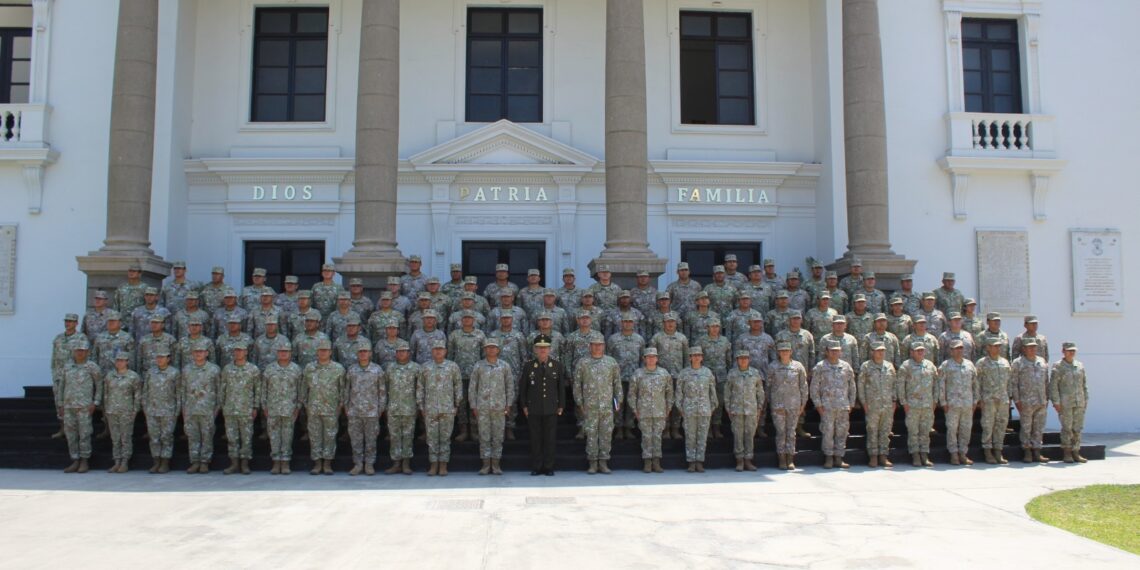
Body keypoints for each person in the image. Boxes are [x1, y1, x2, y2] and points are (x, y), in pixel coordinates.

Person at [574, 333, 621, 474]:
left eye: (600, 344)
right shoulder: (583, 363)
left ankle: (604, 462)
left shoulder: (611, 362)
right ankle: (593, 463)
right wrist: (579, 402)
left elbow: (617, 384)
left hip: (607, 406)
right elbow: (577, 385)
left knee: (606, 434)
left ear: (604, 346)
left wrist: (617, 403)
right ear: (590, 346)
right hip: (590, 406)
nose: (597, 347)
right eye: (594, 344)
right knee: (591, 434)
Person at [519, 334, 565, 476]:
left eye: (545, 348)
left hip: (551, 407)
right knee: (535, 439)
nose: (543, 350)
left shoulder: (557, 366)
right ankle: (537, 466)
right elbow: (523, 388)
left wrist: (561, 405)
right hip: (534, 408)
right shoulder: (528, 366)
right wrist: (524, 406)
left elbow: (561, 388)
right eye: (540, 348)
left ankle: (549, 466)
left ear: (550, 349)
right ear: (535, 349)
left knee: (550, 439)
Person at [470, 338, 516, 475]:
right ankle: (485, 465)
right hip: (482, 407)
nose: (491, 350)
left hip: (499, 407)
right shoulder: (478, 366)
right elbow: (473, 387)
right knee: (484, 436)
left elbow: (509, 385)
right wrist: (474, 405)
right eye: (488, 347)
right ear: (485, 350)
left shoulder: (504, 366)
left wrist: (508, 404)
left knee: (497, 436)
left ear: (498, 350)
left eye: (493, 347)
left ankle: (496, 465)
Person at [418, 340, 463, 476]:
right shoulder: (425, 367)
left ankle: (443, 465)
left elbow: (458, 386)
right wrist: (421, 406)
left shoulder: (452, 367)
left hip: (447, 408)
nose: (438, 351)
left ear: (445, 351)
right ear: (432, 351)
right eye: (435, 349)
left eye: (441, 349)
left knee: (445, 438)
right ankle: (433, 465)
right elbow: (420, 387)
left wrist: (456, 405)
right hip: (430, 408)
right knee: (431, 438)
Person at [302, 339, 346, 475]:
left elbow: (343, 389)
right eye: (321, 350)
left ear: (330, 352)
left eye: (326, 350)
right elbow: (304, 388)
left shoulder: (338, 369)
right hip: (314, 408)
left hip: (331, 409)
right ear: (317, 352)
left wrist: (340, 405)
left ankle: (327, 464)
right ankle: (317, 463)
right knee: (315, 436)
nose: (323, 353)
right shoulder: (310, 368)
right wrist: (306, 404)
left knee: (330, 436)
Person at [811, 341, 856, 469]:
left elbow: (852, 386)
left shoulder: (846, 367)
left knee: (842, 432)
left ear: (841, 351)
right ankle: (829, 458)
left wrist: (851, 404)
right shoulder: (820, 367)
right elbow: (814, 388)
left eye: (837, 350)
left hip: (843, 406)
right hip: (827, 407)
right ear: (826, 352)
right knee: (828, 433)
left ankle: (839, 458)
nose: (834, 352)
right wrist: (818, 406)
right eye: (832, 350)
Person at [59, 337, 102, 474]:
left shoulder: (92, 367)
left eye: (83, 351)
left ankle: (84, 461)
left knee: (84, 434)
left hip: (84, 406)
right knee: (71, 434)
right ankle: (75, 460)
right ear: (73, 351)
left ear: (87, 352)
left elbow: (99, 385)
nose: (80, 353)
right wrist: (60, 403)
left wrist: (95, 402)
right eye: (78, 350)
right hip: (69, 406)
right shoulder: (67, 367)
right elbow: (61, 386)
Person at [628, 347, 673, 473]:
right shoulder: (638, 374)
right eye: (648, 357)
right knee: (646, 437)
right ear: (644, 359)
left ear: (657, 359)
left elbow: (669, 393)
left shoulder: (664, 374)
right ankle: (647, 462)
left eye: (653, 357)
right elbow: (632, 394)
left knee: (657, 437)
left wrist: (668, 409)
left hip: (660, 411)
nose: (651, 359)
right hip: (643, 411)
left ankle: (657, 462)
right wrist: (635, 410)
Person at [262, 339, 303, 474]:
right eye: (281, 352)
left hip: (289, 409)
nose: (283, 354)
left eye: (286, 352)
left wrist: (297, 407)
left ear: (290, 353)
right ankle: (275, 462)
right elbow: (264, 389)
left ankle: (285, 463)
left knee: (287, 436)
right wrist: (264, 406)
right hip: (273, 408)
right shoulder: (270, 369)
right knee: (273, 437)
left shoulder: (296, 369)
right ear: (277, 353)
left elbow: (300, 390)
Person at [675, 346, 717, 473]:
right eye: (694, 355)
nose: (696, 357)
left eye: (699, 355)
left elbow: (712, 392)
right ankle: (691, 462)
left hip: (704, 409)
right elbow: (679, 393)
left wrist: (712, 407)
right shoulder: (684, 373)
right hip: (689, 410)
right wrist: (680, 407)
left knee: (702, 437)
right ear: (690, 358)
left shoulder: (707, 373)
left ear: (702, 357)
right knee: (690, 436)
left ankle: (700, 462)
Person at [219, 343, 260, 475]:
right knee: (232, 438)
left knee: (246, 438)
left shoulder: (253, 369)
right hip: (230, 408)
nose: (238, 352)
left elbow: (257, 389)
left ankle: (245, 464)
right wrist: (222, 405)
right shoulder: (227, 369)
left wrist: (255, 406)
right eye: (236, 350)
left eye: (241, 350)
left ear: (246, 352)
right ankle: (234, 464)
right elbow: (222, 389)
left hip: (246, 409)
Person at [938, 340, 979, 466]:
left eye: (961, 348)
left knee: (966, 429)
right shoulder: (945, 365)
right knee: (952, 429)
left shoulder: (970, 365)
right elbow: (941, 385)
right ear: (951, 351)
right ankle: (954, 454)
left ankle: (963, 453)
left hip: (967, 403)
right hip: (952, 404)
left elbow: (975, 384)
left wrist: (975, 401)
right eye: (956, 348)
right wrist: (943, 402)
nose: (959, 350)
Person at [182, 340, 221, 474]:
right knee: (192, 436)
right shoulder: (187, 369)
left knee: (207, 436)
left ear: (207, 353)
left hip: (207, 409)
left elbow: (219, 389)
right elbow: (183, 390)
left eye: (201, 351)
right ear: (192, 353)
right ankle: (194, 462)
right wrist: (183, 408)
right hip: (191, 408)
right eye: (196, 351)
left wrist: (217, 408)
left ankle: (204, 462)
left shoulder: (214, 370)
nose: (199, 354)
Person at [769, 341, 808, 470]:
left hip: (794, 405)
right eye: (782, 351)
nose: (784, 352)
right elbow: (768, 386)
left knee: (791, 432)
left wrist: (803, 404)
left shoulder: (798, 367)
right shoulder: (773, 366)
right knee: (781, 432)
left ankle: (790, 458)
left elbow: (803, 386)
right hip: (778, 405)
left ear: (791, 352)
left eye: (787, 350)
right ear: (779, 353)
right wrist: (771, 403)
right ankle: (781, 458)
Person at [383, 340, 421, 475]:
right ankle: (396, 463)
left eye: (404, 351)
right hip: (393, 408)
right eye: (399, 351)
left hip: (409, 407)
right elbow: (384, 388)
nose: (401, 353)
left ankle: (406, 464)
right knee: (394, 436)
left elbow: (419, 388)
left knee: (408, 436)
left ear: (409, 353)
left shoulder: (416, 368)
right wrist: (384, 406)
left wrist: (418, 405)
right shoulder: (390, 368)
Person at [858, 342, 897, 468]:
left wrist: (894, 401)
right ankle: (873, 456)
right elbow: (861, 385)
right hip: (872, 404)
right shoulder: (866, 366)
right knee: (872, 430)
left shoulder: (889, 366)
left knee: (885, 431)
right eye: (878, 350)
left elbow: (894, 384)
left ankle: (883, 456)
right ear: (872, 352)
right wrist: (864, 403)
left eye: (882, 350)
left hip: (887, 404)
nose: (880, 353)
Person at [898, 343, 937, 467]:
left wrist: (935, 401)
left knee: (925, 431)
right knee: (913, 431)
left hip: (927, 405)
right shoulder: (906, 366)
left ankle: (924, 455)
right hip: (912, 405)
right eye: (917, 350)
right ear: (912, 352)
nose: (920, 352)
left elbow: (936, 385)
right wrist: (904, 403)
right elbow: (900, 386)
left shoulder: (930, 366)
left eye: (922, 350)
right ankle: (915, 455)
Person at [724, 351, 764, 472]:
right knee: (738, 435)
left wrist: (759, 408)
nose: (743, 360)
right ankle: (739, 461)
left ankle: (748, 460)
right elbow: (727, 392)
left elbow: (760, 392)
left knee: (749, 435)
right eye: (740, 358)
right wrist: (728, 407)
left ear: (749, 359)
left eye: (745, 358)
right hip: (736, 409)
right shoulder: (732, 373)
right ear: (737, 360)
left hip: (751, 409)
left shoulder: (755, 373)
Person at [1011, 339, 1050, 463]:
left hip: (1041, 400)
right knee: (1026, 428)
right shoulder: (1018, 363)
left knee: (1039, 427)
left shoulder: (1042, 362)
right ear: (1024, 349)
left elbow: (1046, 382)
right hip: (1026, 401)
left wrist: (1047, 398)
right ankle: (1027, 451)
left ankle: (1037, 451)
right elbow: (1014, 383)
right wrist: (1017, 401)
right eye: (1029, 347)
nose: (1032, 349)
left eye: (1034, 347)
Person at [1050, 342, 1088, 464]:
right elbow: (1053, 386)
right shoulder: (1058, 366)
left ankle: (1076, 451)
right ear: (1063, 351)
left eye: (1073, 351)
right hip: (1065, 403)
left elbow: (1084, 384)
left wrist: (1086, 399)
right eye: (1069, 350)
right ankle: (1067, 452)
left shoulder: (1079, 365)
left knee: (1077, 428)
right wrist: (1056, 402)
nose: (1071, 353)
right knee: (1067, 428)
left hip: (1079, 402)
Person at [975, 338, 1012, 464]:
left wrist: (1010, 396)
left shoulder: (1005, 362)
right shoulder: (982, 363)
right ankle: (987, 451)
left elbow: (1009, 381)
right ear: (988, 348)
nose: (997, 348)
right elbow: (977, 382)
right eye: (994, 346)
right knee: (988, 425)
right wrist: (978, 399)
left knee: (1001, 425)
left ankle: (998, 450)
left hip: (1003, 399)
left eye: (998, 346)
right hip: (988, 399)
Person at [103, 353, 141, 473]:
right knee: (115, 438)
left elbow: (137, 395)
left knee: (125, 437)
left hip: (127, 411)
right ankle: (117, 461)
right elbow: (106, 394)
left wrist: (135, 410)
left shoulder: (133, 376)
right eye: (118, 360)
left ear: (127, 362)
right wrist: (106, 409)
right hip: (112, 410)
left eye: (122, 360)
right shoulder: (110, 376)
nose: (119, 362)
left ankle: (125, 462)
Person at [143, 348, 179, 474]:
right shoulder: (150, 372)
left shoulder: (174, 373)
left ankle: (165, 462)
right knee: (154, 438)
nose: (159, 359)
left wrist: (177, 409)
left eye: (162, 357)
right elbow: (145, 391)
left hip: (168, 410)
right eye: (158, 357)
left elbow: (178, 393)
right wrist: (145, 406)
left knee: (166, 437)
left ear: (168, 359)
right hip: (152, 410)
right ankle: (156, 461)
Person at [50, 313, 82, 440]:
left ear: (76, 323)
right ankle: (62, 429)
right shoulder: (58, 338)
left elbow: (84, 357)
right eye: (66, 321)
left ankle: (75, 431)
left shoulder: (81, 338)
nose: (68, 323)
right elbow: (54, 357)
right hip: (59, 376)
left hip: (74, 377)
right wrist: (54, 373)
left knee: (75, 404)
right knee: (59, 403)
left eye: (71, 321)